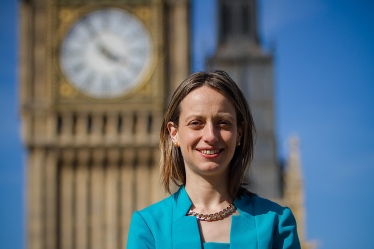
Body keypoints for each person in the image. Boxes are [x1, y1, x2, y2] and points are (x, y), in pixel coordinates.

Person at [127, 70, 301, 249]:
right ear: (174, 133)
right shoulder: (149, 227)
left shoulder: (276, 223)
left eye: (223, 123)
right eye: (196, 123)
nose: (210, 136)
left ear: (239, 133)